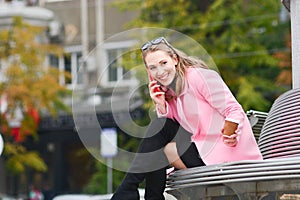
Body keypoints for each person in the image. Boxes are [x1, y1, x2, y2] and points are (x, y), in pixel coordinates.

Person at [111, 37, 263, 200]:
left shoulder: (200, 77)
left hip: (224, 153)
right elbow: (168, 129)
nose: (160, 72)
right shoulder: (168, 92)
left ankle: (129, 190)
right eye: (153, 68)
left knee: (160, 142)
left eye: (163, 63)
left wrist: (231, 133)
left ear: (174, 59)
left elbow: (234, 110)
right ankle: (140, 193)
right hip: (199, 150)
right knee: (159, 131)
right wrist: (161, 105)